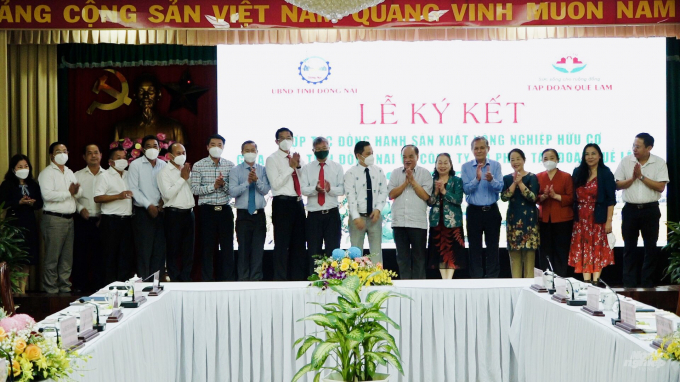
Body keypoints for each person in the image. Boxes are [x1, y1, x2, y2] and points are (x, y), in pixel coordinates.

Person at [615, 133, 669, 287]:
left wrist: (641, 177)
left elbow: (660, 187)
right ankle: (629, 284)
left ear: (649, 148)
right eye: (633, 146)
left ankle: (647, 283)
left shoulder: (658, 162)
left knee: (650, 247)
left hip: (650, 210)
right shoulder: (626, 161)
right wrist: (632, 178)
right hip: (630, 210)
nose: (634, 149)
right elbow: (618, 185)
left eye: (638, 146)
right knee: (629, 248)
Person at [569, 143, 616, 284]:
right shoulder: (578, 172)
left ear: (600, 156)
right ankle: (586, 281)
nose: (590, 157)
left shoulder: (606, 173)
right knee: (583, 249)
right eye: (587, 154)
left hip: (598, 217)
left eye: (593, 153)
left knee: (597, 248)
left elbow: (611, 200)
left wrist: (609, 221)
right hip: (580, 219)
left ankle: (596, 280)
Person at [38, 142, 82, 294]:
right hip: (54, 219)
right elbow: (47, 195)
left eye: (65, 150)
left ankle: (64, 288)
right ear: (52, 155)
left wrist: (75, 192)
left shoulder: (69, 172)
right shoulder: (47, 173)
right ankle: (50, 289)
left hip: (69, 219)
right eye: (58, 151)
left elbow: (78, 192)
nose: (63, 154)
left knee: (66, 258)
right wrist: (68, 193)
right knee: (52, 257)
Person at [191, 134, 236, 281]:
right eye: (213, 145)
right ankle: (207, 281)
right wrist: (213, 186)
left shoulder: (230, 165)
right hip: (207, 211)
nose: (216, 147)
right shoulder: (198, 165)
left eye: (219, 145)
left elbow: (233, 191)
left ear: (223, 147)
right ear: (207, 147)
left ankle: (228, 280)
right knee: (207, 248)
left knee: (227, 247)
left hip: (225, 210)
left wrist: (223, 185)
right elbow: (195, 190)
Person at [265, 128, 307, 281]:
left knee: (299, 244)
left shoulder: (299, 158)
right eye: (282, 138)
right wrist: (291, 168)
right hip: (282, 204)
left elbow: (305, 180)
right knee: (282, 245)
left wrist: (299, 166)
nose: (285, 140)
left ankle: (299, 279)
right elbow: (275, 185)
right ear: (276, 141)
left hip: (298, 203)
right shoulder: (272, 159)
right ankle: (280, 279)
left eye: (288, 137)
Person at [461, 137, 504, 278]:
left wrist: (492, 180)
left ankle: (492, 278)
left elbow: (501, 187)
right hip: (474, 211)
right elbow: (466, 190)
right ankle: (476, 278)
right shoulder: (466, 167)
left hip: (492, 210)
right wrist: (477, 179)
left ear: (488, 149)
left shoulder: (496, 165)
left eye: (482, 148)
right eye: (476, 148)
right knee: (474, 248)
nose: (479, 150)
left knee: (493, 247)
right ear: (472, 150)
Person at [388, 145, 432, 279]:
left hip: (418, 223)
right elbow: (391, 194)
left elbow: (426, 196)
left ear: (417, 157)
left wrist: (412, 181)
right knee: (402, 259)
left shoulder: (425, 173)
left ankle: (420, 289)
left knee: (419, 259)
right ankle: (405, 288)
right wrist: (405, 183)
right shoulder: (395, 173)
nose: (407, 160)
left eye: (411, 156)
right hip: (399, 222)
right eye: (404, 157)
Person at [229, 140, 271, 281]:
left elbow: (265, 190)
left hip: (259, 215)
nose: (250, 153)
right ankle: (243, 280)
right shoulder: (236, 170)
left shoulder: (263, 169)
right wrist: (247, 182)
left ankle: (256, 280)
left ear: (257, 152)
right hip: (243, 215)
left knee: (258, 250)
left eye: (253, 150)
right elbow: (232, 192)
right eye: (247, 150)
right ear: (242, 153)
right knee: (243, 250)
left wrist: (257, 180)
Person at [0, 155, 43, 291]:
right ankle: (12, 291)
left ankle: (23, 290)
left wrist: (32, 202)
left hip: (29, 223)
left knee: (27, 258)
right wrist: (18, 202)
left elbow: (40, 203)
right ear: (13, 169)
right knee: (15, 259)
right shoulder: (7, 184)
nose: (24, 169)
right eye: (20, 167)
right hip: (13, 223)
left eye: (26, 166)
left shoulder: (33, 184)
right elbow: (2, 203)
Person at [94, 147, 135, 285]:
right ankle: (108, 286)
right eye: (118, 158)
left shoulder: (129, 175)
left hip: (127, 220)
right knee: (109, 256)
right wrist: (118, 196)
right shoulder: (104, 176)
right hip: (111, 221)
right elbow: (97, 198)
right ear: (111, 162)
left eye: (124, 157)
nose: (122, 160)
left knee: (125, 255)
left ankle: (123, 286)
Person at [301, 137, 345, 265]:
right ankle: (314, 281)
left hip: (331, 213)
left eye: (324, 149)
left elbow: (342, 190)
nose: (322, 151)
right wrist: (315, 189)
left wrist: (330, 189)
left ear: (329, 149)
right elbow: (303, 190)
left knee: (333, 251)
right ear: (313, 150)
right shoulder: (307, 168)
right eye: (318, 149)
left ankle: (334, 280)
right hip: (314, 215)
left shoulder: (337, 167)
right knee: (314, 252)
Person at [128, 135, 167, 279]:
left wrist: (163, 201)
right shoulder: (135, 165)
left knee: (159, 250)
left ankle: (156, 284)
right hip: (143, 213)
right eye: (149, 146)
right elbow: (133, 188)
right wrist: (148, 205)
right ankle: (143, 282)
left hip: (161, 211)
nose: (152, 149)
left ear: (159, 148)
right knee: (144, 250)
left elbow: (166, 186)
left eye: (155, 146)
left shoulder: (163, 165)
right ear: (143, 149)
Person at [344, 141, 388, 263]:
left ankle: (378, 280)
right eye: (368, 153)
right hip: (358, 219)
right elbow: (350, 197)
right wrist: (356, 217)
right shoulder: (350, 173)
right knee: (356, 254)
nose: (371, 156)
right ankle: (356, 280)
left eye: (372, 153)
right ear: (358, 156)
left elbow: (383, 192)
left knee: (376, 254)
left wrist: (378, 209)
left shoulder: (378, 171)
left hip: (375, 217)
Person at [158, 143, 195, 282]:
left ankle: (186, 277)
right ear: (170, 156)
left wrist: (187, 176)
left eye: (183, 152)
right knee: (173, 249)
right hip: (173, 214)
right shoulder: (164, 172)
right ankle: (174, 278)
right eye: (178, 153)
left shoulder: (185, 169)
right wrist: (182, 178)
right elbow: (167, 195)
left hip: (189, 213)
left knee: (188, 249)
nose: (182, 156)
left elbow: (192, 189)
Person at [501, 149, 539, 278]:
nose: (515, 162)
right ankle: (515, 286)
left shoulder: (532, 177)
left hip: (529, 221)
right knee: (515, 257)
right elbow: (504, 197)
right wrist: (514, 183)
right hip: (513, 220)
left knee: (529, 257)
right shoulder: (506, 178)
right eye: (512, 159)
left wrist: (521, 183)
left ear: (524, 160)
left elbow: (533, 198)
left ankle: (529, 287)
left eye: (518, 159)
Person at [426, 153, 464, 279]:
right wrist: (436, 192)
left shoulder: (457, 180)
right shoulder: (431, 181)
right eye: (440, 162)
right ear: (435, 164)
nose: (442, 165)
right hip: (437, 222)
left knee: (452, 252)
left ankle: (450, 280)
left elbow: (458, 200)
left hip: (453, 222)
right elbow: (429, 202)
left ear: (451, 164)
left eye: (445, 162)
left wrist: (444, 192)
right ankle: (444, 280)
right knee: (440, 252)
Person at [537, 148, 574, 277]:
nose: (549, 161)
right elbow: (536, 198)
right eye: (545, 158)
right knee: (545, 251)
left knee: (561, 251)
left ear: (557, 160)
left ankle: (561, 278)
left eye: (552, 158)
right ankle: (547, 279)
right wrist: (544, 196)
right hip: (544, 219)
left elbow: (571, 198)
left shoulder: (566, 176)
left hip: (563, 220)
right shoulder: (538, 177)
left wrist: (555, 195)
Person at [73, 144, 103, 292]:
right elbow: (71, 197)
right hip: (83, 220)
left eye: (96, 152)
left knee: (100, 256)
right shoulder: (77, 175)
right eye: (89, 153)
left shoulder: (108, 175)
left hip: (102, 220)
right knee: (81, 255)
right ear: (84, 157)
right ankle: (80, 286)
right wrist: (80, 209)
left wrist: (103, 214)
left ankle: (99, 286)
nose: (93, 156)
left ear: (101, 155)